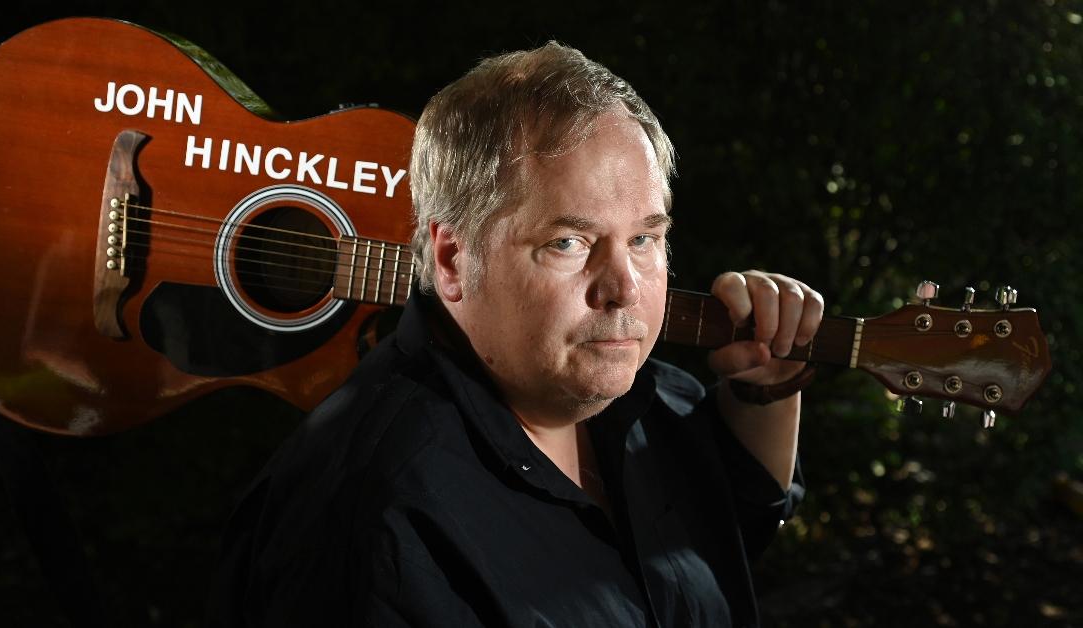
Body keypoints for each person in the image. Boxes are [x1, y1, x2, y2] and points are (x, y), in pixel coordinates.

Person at [207, 41, 823, 628]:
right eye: (567, 243)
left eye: (644, 239)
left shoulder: (656, 401)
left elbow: (725, 543)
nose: (626, 287)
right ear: (452, 260)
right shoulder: (377, 518)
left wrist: (764, 391)